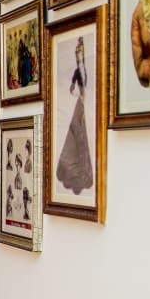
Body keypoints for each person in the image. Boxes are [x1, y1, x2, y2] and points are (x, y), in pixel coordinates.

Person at [56, 37, 94, 195]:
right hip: (81, 102)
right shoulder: (78, 71)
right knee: (78, 131)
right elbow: (74, 81)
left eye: (81, 52)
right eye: (77, 52)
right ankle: (78, 170)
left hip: (85, 102)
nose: (79, 55)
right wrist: (73, 88)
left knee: (81, 133)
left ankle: (83, 170)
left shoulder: (86, 68)